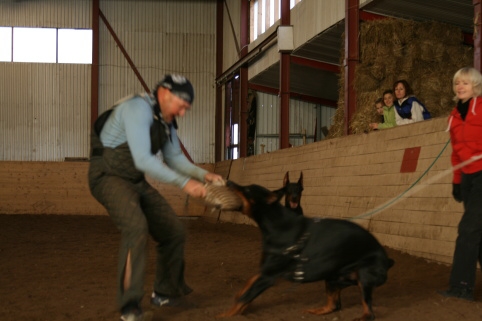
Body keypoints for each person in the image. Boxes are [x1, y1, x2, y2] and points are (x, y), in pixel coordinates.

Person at [88, 74, 223, 321]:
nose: (183, 113)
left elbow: (175, 159)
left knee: (173, 231)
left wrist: (205, 175)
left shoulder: (166, 121)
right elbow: (143, 159)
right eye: (182, 106)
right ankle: (129, 306)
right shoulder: (137, 109)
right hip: (107, 176)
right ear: (164, 94)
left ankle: (165, 292)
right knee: (136, 227)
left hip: (134, 181)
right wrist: (185, 183)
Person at [439, 67, 482, 301]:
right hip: (467, 177)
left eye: (465, 83)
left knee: (468, 229)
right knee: (478, 232)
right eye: (458, 83)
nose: (460, 87)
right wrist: (456, 182)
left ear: (475, 85)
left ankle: (461, 286)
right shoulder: (453, 117)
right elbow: (456, 153)